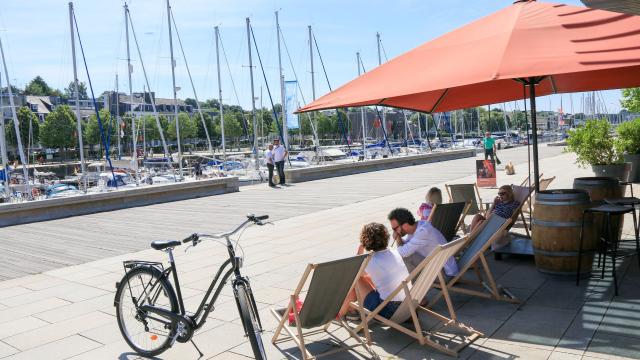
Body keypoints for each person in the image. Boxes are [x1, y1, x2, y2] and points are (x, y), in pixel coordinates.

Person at [339, 222, 409, 319]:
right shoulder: (394, 251)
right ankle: (350, 309)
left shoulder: (371, 260)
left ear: (365, 241)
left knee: (356, 278)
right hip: (408, 305)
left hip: (389, 310)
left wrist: (360, 252)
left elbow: (354, 272)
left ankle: (344, 312)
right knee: (366, 276)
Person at [388, 208, 458, 276]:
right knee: (407, 254)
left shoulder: (423, 232)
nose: (394, 231)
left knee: (406, 257)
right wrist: (399, 237)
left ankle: (414, 285)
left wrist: (397, 238)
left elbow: (403, 253)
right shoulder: (419, 225)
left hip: (444, 272)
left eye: (395, 228)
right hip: (440, 266)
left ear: (405, 224)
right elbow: (406, 246)